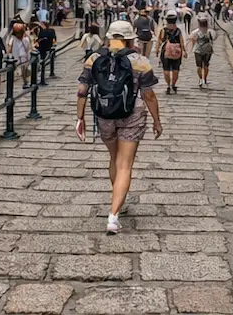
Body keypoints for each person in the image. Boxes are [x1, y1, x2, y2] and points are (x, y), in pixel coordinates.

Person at [75, 20, 163, 234]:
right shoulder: (140, 61)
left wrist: (80, 118)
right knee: (125, 164)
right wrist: (157, 121)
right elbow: (148, 94)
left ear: (110, 37)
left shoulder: (94, 58)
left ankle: (117, 200)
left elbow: (82, 89)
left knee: (114, 159)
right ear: (129, 38)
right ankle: (113, 216)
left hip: (104, 114)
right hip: (132, 115)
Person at [157, 14, 185, 94]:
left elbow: (159, 41)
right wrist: (184, 51)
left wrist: (157, 50)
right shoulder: (178, 30)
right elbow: (181, 41)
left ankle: (168, 86)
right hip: (177, 52)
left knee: (166, 70)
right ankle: (173, 85)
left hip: (165, 51)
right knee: (175, 70)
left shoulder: (163, 30)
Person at [191, 14, 217, 88]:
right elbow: (214, 38)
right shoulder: (210, 31)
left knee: (199, 66)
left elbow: (193, 39)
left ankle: (200, 79)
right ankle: (204, 78)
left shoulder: (195, 32)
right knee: (206, 65)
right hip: (208, 50)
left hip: (197, 49)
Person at [9, 21, 34, 88]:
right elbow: (10, 48)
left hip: (23, 57)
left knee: (24, 70)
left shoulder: (24, 39)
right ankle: (25, 81)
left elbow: (28, 47)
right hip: (18, 57)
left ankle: (26, 82)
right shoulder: (14, 39)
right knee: (21, 70)